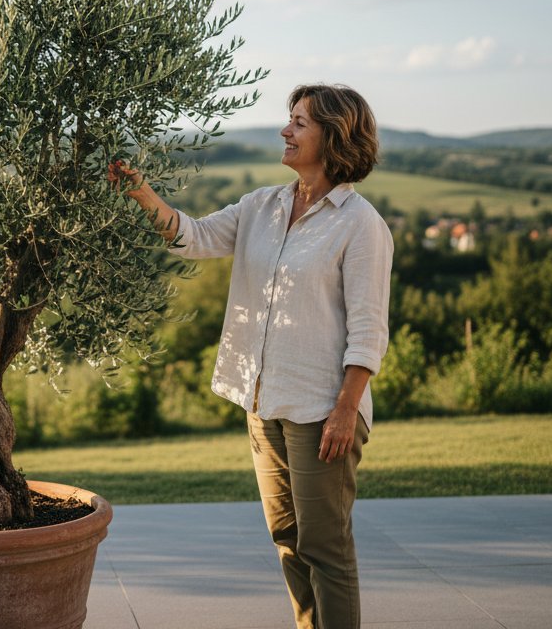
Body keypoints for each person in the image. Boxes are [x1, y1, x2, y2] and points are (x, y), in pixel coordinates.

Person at [110, 83, 392, 629]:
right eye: (290, 119)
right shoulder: (262, 205)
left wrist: (345, 410)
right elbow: (192, 238)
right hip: (263, 402)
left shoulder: (361, 225)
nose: (286, 130)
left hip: (322, 411)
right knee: (287, 538)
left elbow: (368, 330)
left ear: (333, 136)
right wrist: (143, 193)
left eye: (300, 122)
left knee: (325, 548)